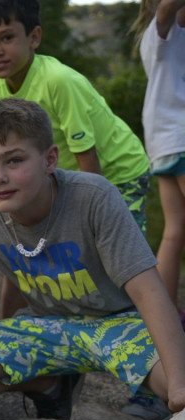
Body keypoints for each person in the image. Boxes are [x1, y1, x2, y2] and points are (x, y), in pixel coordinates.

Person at [0, 98, 185, 420]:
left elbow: (149, 293)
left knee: (172, 383)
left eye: (14, 160)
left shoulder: (93, 197)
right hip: (45, 328)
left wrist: (178, 383)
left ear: (49, 159)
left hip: (117, 324)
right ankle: (49, 385)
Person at [0, 0, 168, 420]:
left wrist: (84, 218)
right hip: (46, 181)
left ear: (35, 38)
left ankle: (152, 368)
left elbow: (88, 162)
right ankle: (35, 350)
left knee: (123, 274)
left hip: (113, 173)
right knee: (23, 253)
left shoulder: (59, 80)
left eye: (7, 38)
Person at [131, 0, 185, 313]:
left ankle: (165, 314)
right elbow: (167, 7)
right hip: (178, 138)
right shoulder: (161, 30)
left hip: (163, 143)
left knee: (176, 228)